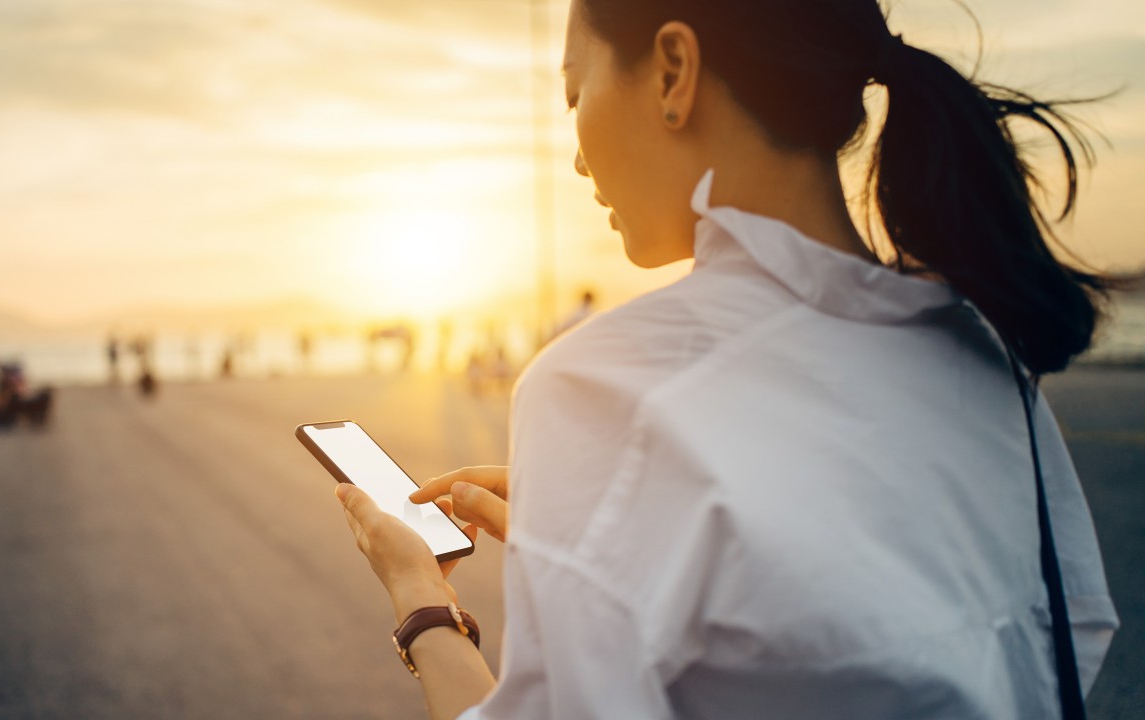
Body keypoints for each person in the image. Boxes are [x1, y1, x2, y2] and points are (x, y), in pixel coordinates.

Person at [333, 2, 1123, 718]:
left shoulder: (607, 387)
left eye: (575, 95)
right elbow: (1053, 646)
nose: (576, 159)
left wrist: (420, 599)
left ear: (674, 72)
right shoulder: (982, 353)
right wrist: (612, 527)